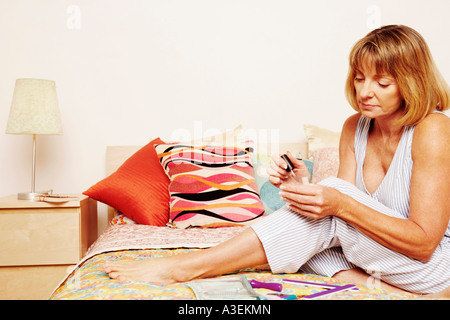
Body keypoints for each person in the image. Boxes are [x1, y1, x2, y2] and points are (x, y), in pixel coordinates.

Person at [104, 25, 450, 297]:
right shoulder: (354, 126)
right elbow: (349, 212)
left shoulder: (433, 129)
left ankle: (185, 267)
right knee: (301, 247)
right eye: (359, 78)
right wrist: (305, 191)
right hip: (382, 261)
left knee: (314, 226)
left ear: (410, 83)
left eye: (382, 82)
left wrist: (334, 201)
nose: (364, 92)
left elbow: (422, 243)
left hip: (430, 266)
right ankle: (382, 289)